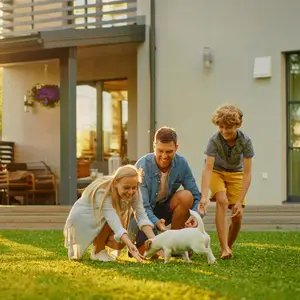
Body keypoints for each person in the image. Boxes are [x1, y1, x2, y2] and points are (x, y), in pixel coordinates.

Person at [129, 126, 201, 254]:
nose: (164, 156)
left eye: (169, 152)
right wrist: (156, 222)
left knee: (186, 196)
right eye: (160, 151)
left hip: (164, 209)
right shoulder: (142, 165)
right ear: (154, 146)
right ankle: (156, 245)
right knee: (148, 252)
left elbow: (195, 195)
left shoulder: (181, 164)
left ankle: (177, 244)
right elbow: (142, 206)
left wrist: (195, 215)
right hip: (141, 214)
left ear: (176, 148)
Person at [195, 104, 254, 259]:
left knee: (237, 215)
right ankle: (223, 248)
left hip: (237, 173)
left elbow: (247, 173)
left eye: (228, 127)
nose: (224, 131)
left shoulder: (245, 141)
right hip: (217, 171)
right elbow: (208, 169)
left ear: (238, 124)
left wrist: (240, 201)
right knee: (222, 200)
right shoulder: (214, 140)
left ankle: (228, 245)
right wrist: (203, 196)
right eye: (221, 127)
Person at [64, 165, 156, 262]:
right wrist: (131, 245)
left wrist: (156, 242)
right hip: (83, 219)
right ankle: (98, 251)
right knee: (77, 257)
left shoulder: (134, 190)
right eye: (126, 188)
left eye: (134, 187)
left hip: (102, 219)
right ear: (116, 183)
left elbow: (141, 216)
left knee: (119, 243)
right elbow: (113, 220)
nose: (131, 191)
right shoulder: (103, 192)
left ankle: (99, 247)